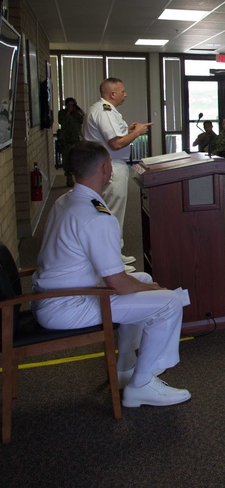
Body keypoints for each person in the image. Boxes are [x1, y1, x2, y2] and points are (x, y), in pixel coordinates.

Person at [32, 141, 191, 407]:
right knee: (169, 302)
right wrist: (158, 292)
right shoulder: (96, 215)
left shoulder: (66, 200)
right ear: (106, 168)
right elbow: (117, 283)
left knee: (141, 278)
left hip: (53, 297)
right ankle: (141, 385)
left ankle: (125, 370)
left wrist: (146, 287)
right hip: (66, 305)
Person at [83, 77, 152, 266]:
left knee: (113, 214)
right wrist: (136, 133)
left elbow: (115, 135)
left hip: (109, 165)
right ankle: (110, 262)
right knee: (111, 214)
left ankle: (114, 253)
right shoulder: (104, 112)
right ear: (112, 94)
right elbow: (116, 143)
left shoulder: (106, 110)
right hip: (111, 166)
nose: (126, 95)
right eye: (123, 92)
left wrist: (129, 129)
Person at [57, 97, 84, 186]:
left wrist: (77, 110)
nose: (71, 106)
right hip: (66, 140)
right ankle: (69, 179)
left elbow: (82, 120)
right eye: (69, 104)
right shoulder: (62, 113)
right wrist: (68, 112)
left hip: (77, 140)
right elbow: (62, 122)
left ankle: (79, 180)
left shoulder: (78, 112)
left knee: (78, 160)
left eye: (72, 104)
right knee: (67, 160)